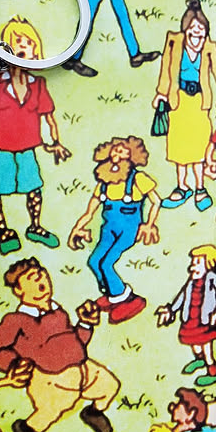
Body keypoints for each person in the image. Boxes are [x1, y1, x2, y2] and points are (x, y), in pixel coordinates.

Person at [0, 258, 120, 432]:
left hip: (82, 367)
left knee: (109, 385)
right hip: (48, 378)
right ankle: (26, 428)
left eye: (41, 275)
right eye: (31, 278)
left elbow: (74, 344)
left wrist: (85, 324)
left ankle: (93, 413)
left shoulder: (58, 312)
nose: (40, 281)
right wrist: (14, 364)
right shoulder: (16, 320)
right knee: (52, 410)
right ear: (19, 290)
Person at [0, 16, 71, 255]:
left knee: (33, 186)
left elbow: (49, 117)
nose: (23, 46)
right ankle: (4, 231)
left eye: (29, 42)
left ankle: (35, 226)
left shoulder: (38, 84)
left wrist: (55, 143)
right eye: (17, 41)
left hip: (27, 148)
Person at [154, 0, 216, 212]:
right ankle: (182, 187)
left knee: (200, 143)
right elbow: (165, 68)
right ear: (186, 31)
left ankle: (200, 188)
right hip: (178, 99)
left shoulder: (209, 48)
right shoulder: (174, 42)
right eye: (193, 33)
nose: (197, 38)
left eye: (201, 34)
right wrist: (161, 93)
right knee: (178, 143)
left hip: (200, 101)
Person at [67, 136, 160, 323]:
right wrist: (77, 228)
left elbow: (156, 201)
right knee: (94, 261)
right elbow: (90, 211)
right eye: (115, 150)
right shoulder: (104, 182)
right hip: (108, 229)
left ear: (132, 156)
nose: (117, 154)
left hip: (128, 230)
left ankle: (127, 298)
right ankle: (112, 294)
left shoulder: (137, 178)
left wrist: (149, 224)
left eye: (123, 151)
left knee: (106, 263)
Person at [156, 245, 216, 387]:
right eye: (193, 262)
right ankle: (200, 359)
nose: (192, 266)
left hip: (205, 319)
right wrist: (171, 310)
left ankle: (213, 370)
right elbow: (182, 296)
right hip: (191, 318)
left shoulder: (212, 278)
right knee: (195, 344)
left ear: (208, 263)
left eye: (197, 262)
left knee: (206, 346)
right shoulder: (191, 281)